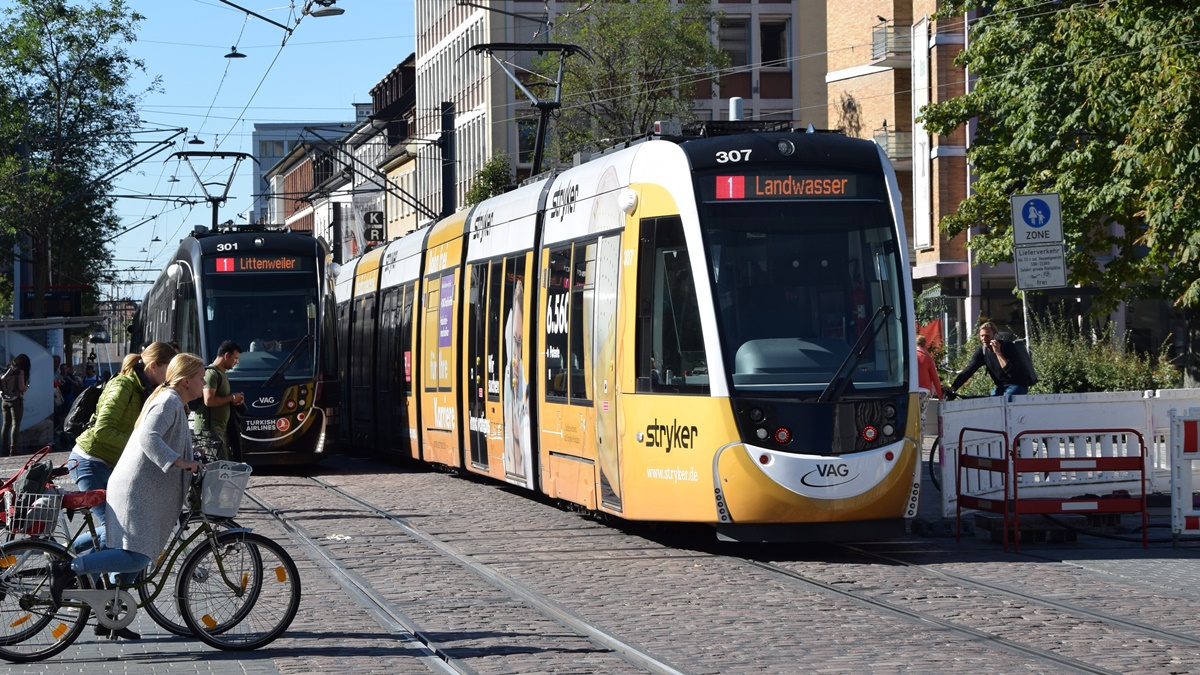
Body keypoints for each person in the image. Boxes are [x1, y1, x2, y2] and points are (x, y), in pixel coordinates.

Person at [50, 353, 205, 640]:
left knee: (116, 540)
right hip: (137, 488)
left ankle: (108, 616)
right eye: (200, 378)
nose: (204, 382)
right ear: (186, 381)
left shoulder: (173, 400)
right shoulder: (169, 401)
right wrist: (178, 462)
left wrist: (190, 456)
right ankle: (68, 567)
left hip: (140, 486)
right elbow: (149, 437)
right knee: (136, 557)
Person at [68, 342, 178, 555]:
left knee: (119, 528)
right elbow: (102, 430)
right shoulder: (124, 385)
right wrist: (139, 445)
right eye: (168, 369)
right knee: (116, 530)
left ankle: (64, 554)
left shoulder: (144, 389)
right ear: (154, 366)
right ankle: (70, 567)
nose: (170, 376)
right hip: (89, 460)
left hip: (108, 462)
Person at [948, 321, 1033, 399]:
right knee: (989, 402)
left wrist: (998, 352)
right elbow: (969, 370)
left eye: (987, 336)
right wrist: (953, 387)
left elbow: (1010, 372)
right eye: (982, 336)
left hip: (1017, 385)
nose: (984, 339)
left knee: (1005, 402)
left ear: (995, 335)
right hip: (1001, 387)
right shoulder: (982, 351)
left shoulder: (1008, 347)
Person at [193, 340, 245, 461]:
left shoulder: (222, 374)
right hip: (210, 430)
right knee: (218, 468)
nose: (237, 362)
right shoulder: (211, 373)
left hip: (220, 429)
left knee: (223, 466)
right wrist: (231, 398)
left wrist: (234, 400)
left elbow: (220, 399)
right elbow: (209, 400)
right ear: (227, 355)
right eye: (235, 358)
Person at [1, 354, 30, 456]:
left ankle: (4, 448)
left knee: (5, 424)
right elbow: (21, 387)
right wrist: (26, 387)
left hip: (4, 400)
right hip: (15, 400)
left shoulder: (7, 368)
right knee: (15, 424)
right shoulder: (20, 371)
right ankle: (13, 448)